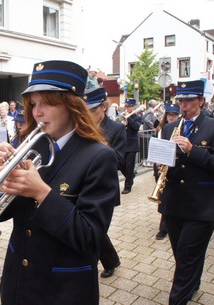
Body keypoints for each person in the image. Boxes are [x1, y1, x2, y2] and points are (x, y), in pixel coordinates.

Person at [0, 60, 119, 305]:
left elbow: (90, 239)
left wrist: (41, 193)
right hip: (18, 282)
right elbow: (2, 213)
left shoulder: (99, 157)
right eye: (34, 103)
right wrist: (0, 183)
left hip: (63, 290)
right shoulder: (31, 144)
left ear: (72, 106)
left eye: (47, 103)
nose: (37, 112)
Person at [158, 80, 214, 305]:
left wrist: (192, 150)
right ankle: (193, 283)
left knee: (187, 257)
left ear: (201, 101)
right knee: (182, 254)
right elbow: (164, 160)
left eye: (189, 100)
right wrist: (158, 163)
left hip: (202, 204)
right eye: (181, 100)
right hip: (174, 202)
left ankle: (177, 299)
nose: (183, 105)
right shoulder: (169, 127)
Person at [84, 86, 125, 278]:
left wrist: (101, 145)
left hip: (105, 188)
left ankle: (107, 261)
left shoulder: (117, 128)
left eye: (93, 110)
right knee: (90, 228)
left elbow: (119, 160)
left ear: (104, 107)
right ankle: (111, 260)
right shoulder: (82, 126)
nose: (89, 115)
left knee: (96, 229)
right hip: (83, 184)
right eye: (86, 110)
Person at [153, 101, 181, 240]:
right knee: (162, 196)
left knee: (169, 196)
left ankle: (165, 227)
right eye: (169, 115)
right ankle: (165, 225)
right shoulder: (162, 128)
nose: (171, 117)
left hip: (174, 165)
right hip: (160, 164)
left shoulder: (180, 128)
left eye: (174, 115)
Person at [121, 98, 143, 194]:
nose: (127, 108)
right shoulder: (123, 115)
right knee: (121, 165)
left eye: (129, 106)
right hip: (122, 145)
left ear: (133, 107)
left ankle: (127, 186)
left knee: (129, 167)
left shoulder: (136, 117)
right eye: (126, 106)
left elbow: (137, 127)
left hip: (132, 145)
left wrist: (128, 118)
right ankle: (131, 176)